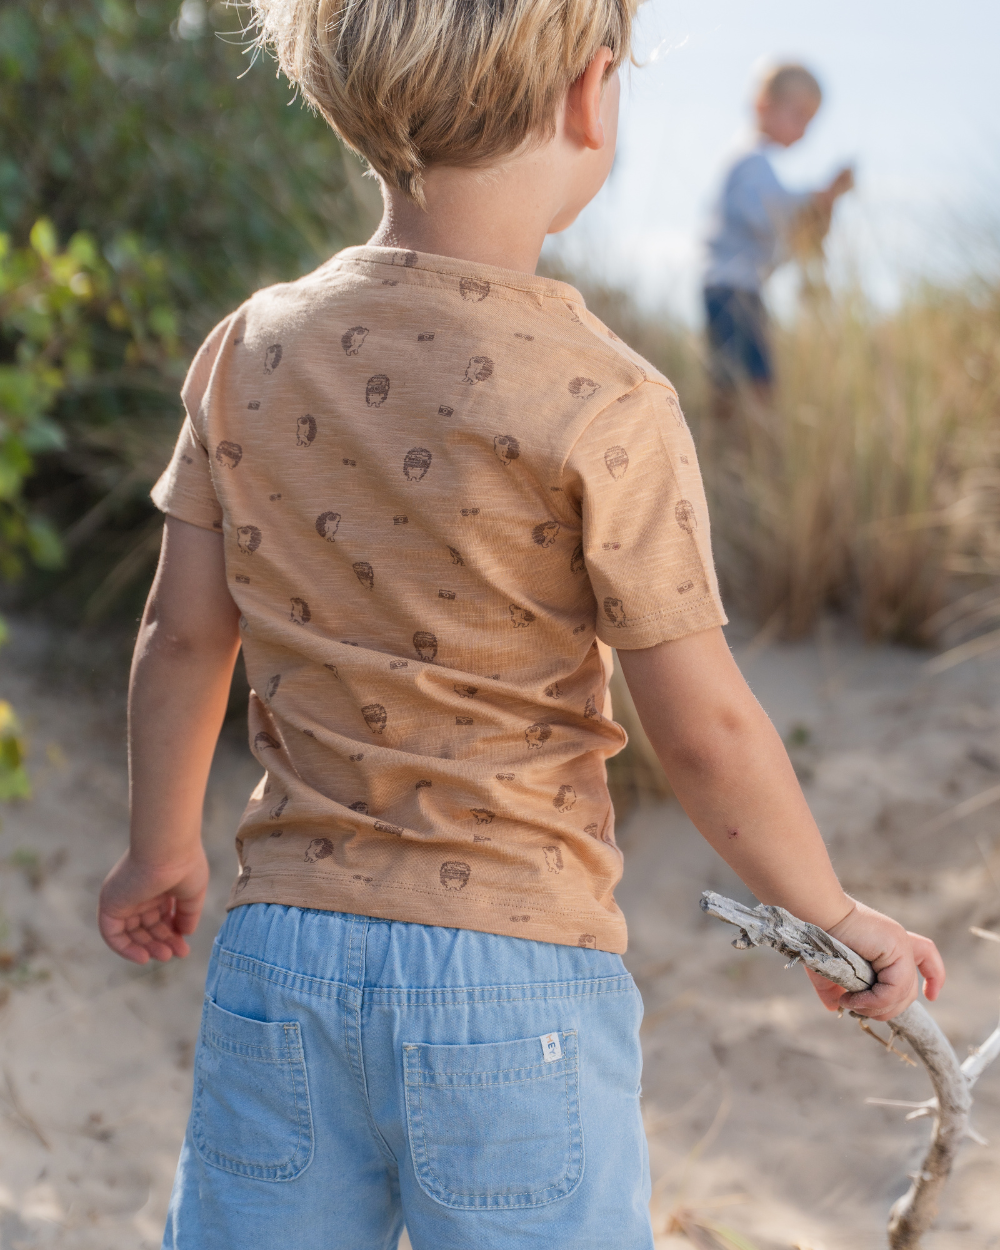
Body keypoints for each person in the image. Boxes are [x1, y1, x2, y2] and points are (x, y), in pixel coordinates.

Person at [97, 7, 942, 1248]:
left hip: (283, 953)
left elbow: (180, 636)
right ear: (592, 96)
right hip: (512, 976)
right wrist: (830, 911)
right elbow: (702, 723)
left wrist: (160, 847)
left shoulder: (251, 347)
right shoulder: (608, 396)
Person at [703, 63, 854, 412]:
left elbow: (776, 225)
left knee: (743, 379)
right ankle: (732, 451)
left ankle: (732, 450)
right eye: (798, 115)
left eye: (810, 121)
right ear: (763, 105)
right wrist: (817, 200)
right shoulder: (748, 161)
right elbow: (766, 215)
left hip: (744, 289)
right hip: (731, 288)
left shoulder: (759, 165)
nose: (803, 129)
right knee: (747, 383)